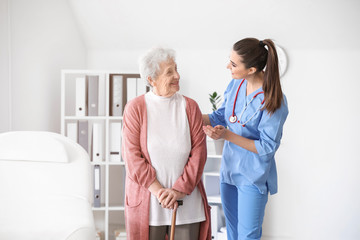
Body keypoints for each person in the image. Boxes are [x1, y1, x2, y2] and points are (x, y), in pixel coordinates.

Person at [202, 38, 289, 240]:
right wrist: (187, 112)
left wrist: (226, 135)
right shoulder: (236, 84)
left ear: (251, 69)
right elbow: (220, 116)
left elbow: (267, 147)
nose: (228, 66)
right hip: (229, 171)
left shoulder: (273, 100)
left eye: (233, 64)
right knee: (232, 234)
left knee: (247, 236)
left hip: (253, 176)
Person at [122, 47, 211, 240]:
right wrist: (160, 191)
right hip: (149, 202)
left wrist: (178, 190)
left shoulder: (190, 106)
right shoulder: (135, 108)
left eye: (176, 69)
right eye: (169, 72)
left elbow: (199, 154)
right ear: (151, 79)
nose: (177, 75)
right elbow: (131, 157)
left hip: (187, 203)